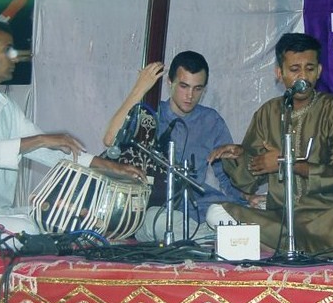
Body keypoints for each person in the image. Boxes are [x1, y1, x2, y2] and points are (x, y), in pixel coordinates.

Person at [0, 20, 146, 250]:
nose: (15, 57)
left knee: (62, 222)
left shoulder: (5, 106)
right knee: (29, 231)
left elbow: (49, 153)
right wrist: (41, 139)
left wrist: (111, 167)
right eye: (7, 50)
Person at [206, 33, 333, 255]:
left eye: (310, 69)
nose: (303, 76)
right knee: (216, 213)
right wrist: (238, 158)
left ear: (319, 71)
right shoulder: (268, 113)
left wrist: (287, 163)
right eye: (294, 70)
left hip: (330, 215)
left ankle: (283, 246)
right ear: (279, 73)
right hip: (281, 217)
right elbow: (249, 182)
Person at [103, 51, 246, 243]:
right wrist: (139, 89)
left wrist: (245, 200)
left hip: (198, 208)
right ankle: (219, 239)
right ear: (170, 83)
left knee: (229, 212)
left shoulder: (211, 120)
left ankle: (224, 236)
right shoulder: (151, 115)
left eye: (198, 89)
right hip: (158, 209)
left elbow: (226, 175)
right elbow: (110, 139)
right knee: (159, 221)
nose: (190, 96)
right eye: (184, 86)